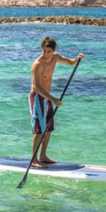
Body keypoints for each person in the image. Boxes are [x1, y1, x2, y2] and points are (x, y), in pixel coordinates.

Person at [29, 37, 83, 168]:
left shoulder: (55, 57)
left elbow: (70, 63)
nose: (46, 54)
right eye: (44, 51)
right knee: (39, 130)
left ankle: (43, 156)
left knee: (48, 128)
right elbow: (37, 87)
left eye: (49, 51)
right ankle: (34, 160)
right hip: (38, 97)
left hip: (48, 98)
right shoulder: (37, 64)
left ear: (53, 51)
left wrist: (77, 59)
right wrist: (53, 99)